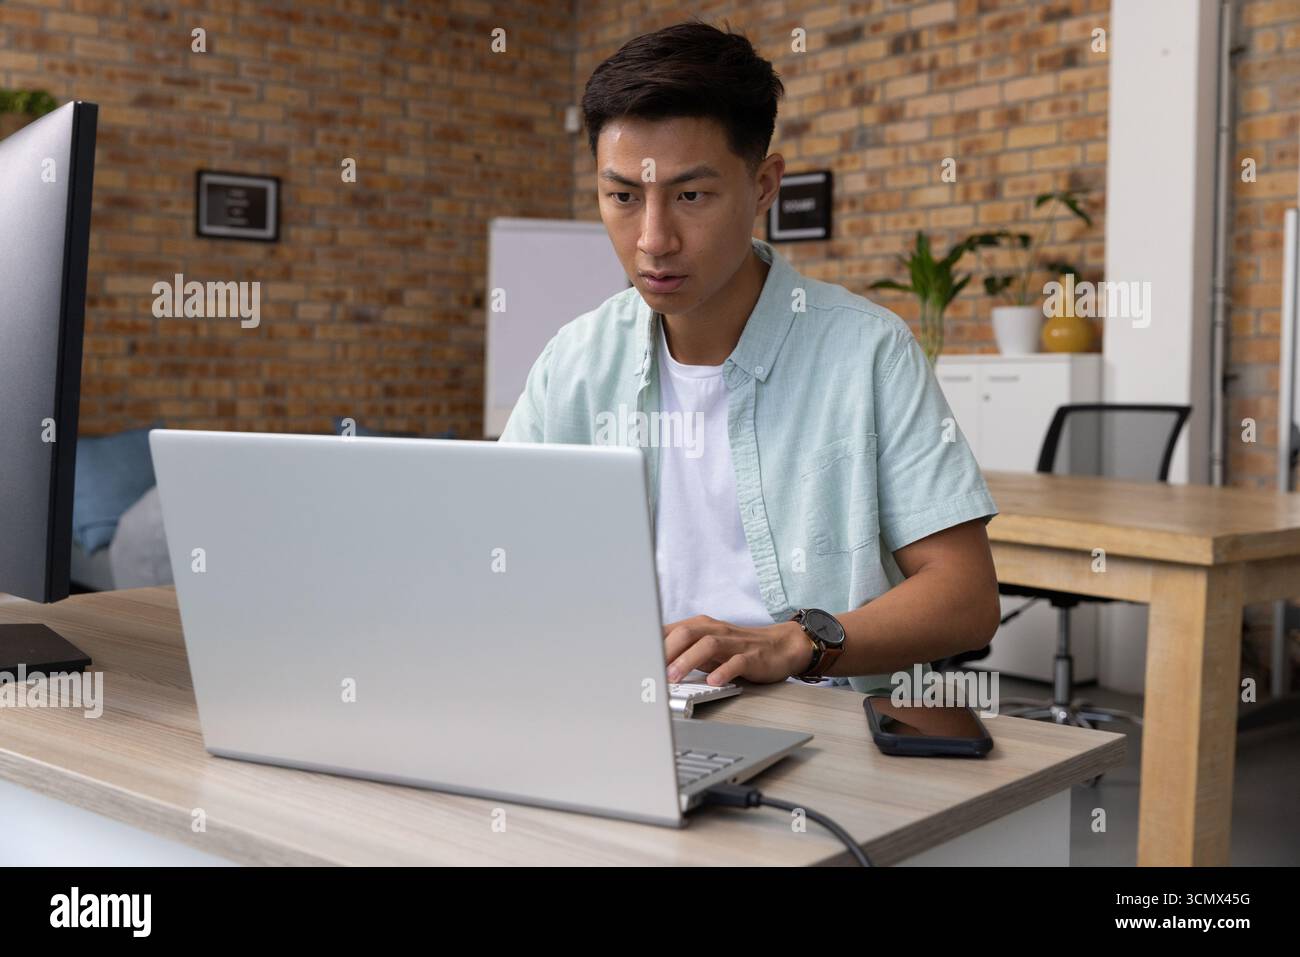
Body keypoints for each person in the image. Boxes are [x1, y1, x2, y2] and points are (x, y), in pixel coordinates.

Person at [500, 20, 1001, 694]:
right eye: (622, 196)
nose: (653, 239)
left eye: (690, 196)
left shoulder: (868, 353)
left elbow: (967, 599)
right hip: (620, 713)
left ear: (764, 186)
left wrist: (800, 641)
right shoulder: (576, 361)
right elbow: (497, 557)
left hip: (819, 737)